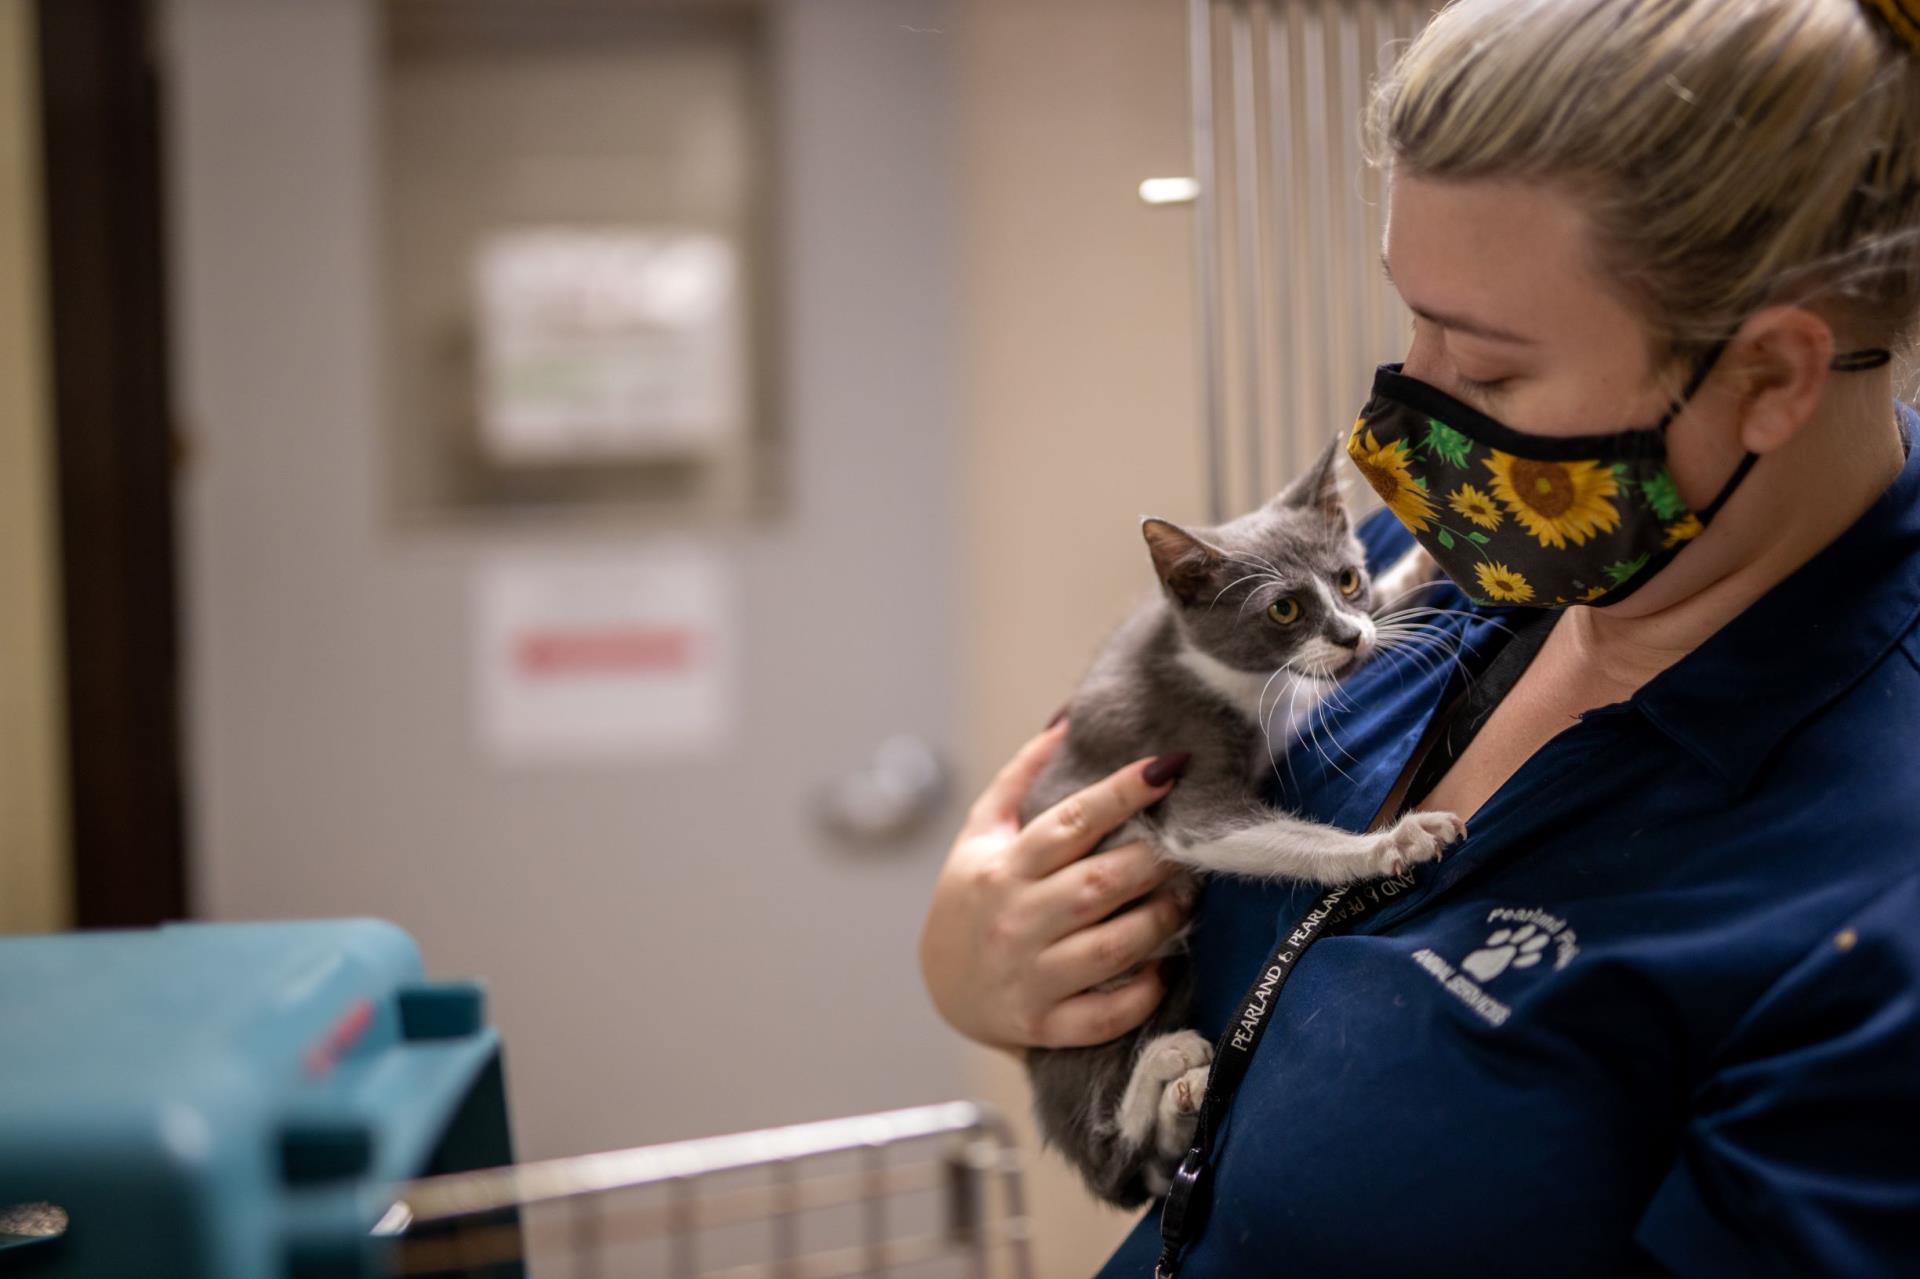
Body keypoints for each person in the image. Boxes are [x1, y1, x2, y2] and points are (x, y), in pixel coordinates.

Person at [918, 0, 1920, 1274]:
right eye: (1412, 315)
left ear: (1773, 376)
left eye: (1492, 372)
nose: (1407, 419)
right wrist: (995, 970)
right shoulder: (1457, 562)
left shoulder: (1877, 903)